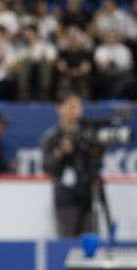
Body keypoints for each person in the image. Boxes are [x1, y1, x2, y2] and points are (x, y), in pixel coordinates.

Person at [41, 94, 95, 237]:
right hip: (66, 199)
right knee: (67, 240)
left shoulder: (88, 134)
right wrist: (61, 151)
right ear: (60, 109)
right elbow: (47, 166)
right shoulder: (52, 136)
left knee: (90, 239)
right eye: (71, 106)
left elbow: (95, 163)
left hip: (88, 196)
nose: (76, 110)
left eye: (78, 106)